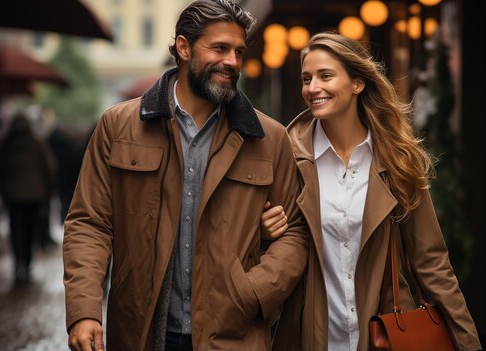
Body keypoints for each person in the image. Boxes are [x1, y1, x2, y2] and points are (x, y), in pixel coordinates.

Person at [62, 1, 309, 350]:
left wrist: (253, 292)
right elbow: (89, 223)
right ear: (183, 47)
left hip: (233, 334)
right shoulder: (118, 126)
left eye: (239, 51)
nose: (232, 62)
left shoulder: (270, 138)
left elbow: (297, 232)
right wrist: (84, 310)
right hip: (141, 332)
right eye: (220, 48)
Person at [265, 32, 482, 351]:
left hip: (388, 335)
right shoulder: (288, 157)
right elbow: (268, 245)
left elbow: (431, 261)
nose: (313, 88)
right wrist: (265, 233)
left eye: (326, 76)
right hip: (311, 336)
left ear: (357, 83)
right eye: (306, 78)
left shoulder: (397, 160)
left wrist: (468, 343)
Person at [0, 114, 56, 283]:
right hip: (35, 195)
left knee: (16, 229)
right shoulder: (37, 143)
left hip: (12, 195)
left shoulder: (6, 144)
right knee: (30, 229)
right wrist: (50, 190)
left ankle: (19, 261)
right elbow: (49, 167)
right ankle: (27, 262)